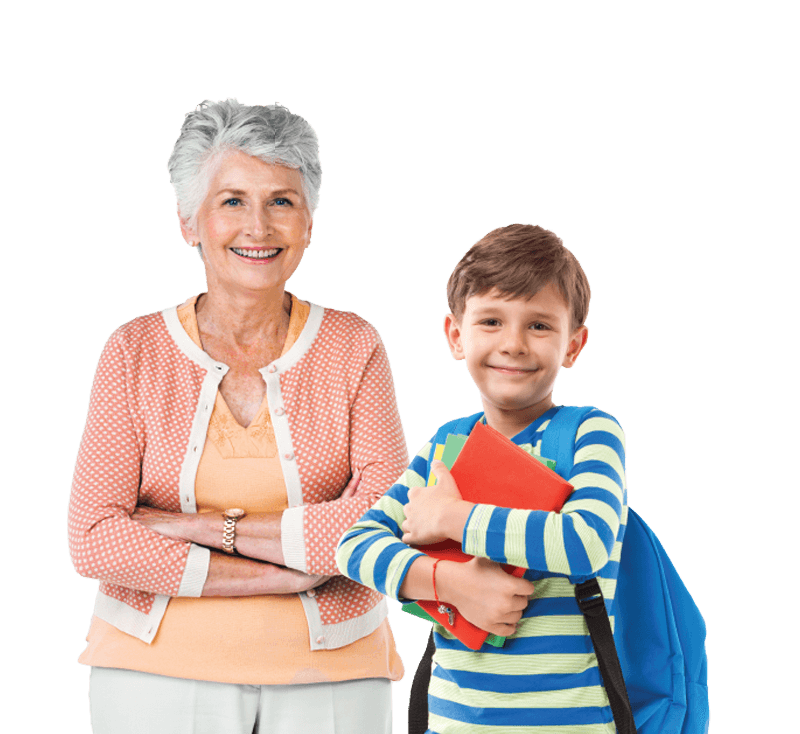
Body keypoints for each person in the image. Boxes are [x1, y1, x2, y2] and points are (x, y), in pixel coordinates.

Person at [67, 98, 407, 734]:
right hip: (152, 674)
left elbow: (382, 519)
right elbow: (92, 538)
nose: (259, 226)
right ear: (188, 219)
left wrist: (185, 528)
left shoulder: (353, 344)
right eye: (231, 201)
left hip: (333, 674)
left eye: (281, 200)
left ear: (307, 221)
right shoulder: (133, 349)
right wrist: (281, 577)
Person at [336, 223, 627, 733]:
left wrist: (451, 517)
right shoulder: (447, 447)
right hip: (455, 722)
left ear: (573, 345)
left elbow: (586, 542)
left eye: (539, 326)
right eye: (491, 321)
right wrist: (452, 583)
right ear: (455, 334)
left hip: (571, 725)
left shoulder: (590, 432)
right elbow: (355, 549)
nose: (512, 344)